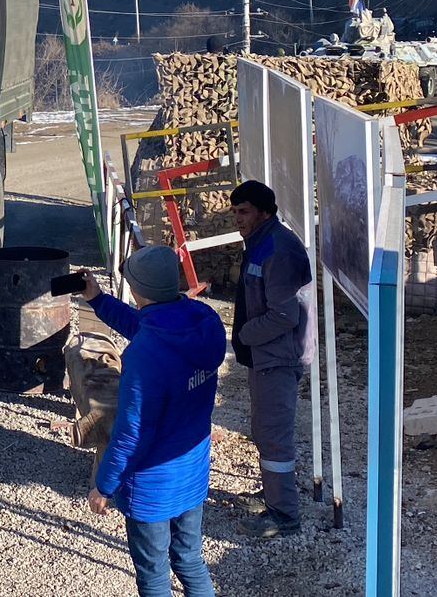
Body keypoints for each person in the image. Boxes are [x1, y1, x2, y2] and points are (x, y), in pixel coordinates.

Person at [80, 247, 226, 596]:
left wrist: (105, 485)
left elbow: (132, 434)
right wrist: (98, 299)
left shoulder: (144, 357)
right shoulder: (204, 321)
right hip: (192, 471)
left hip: (152, 487)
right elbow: (146, 326)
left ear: (137, 290)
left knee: (154, 575)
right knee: (190, 559)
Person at [227, 180, 314, 538]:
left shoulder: (276, 250)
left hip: (277, 359)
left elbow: (284, 315)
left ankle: (284, 516)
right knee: (264, 432)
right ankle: (275, 496)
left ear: (264, 212)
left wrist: (245, 335)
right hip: (265, 358)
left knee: (274, 437)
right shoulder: (262, 242)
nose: (237, 219)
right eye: (234, 212)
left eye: (243, 212)